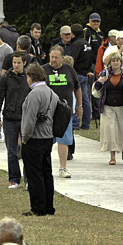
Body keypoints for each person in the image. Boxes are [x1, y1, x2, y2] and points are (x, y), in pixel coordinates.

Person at [21, 63, 57, 217]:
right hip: (48, 137)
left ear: (31, 77)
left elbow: (29, 120)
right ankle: (49, 206)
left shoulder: (34, 94)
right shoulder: (51, 93)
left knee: (34, 174)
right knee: (46, 172)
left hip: (34, 138)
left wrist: (25, 138)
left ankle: (37, 208)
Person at [94, 50, 123, 166]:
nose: (115, 63)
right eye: (113, 61)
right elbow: (96, 89)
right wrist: (100, 81)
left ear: (121, 62)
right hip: (108, 107)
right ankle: (112, 156)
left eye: (117, 61)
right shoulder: (105, 74)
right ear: (110, 63)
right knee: (110, 131)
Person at [0, 50, 30, 187]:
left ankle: (28, 180)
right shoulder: (5, 78)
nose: (16, 65)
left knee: (27, 151)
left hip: (26, 119)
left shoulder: (29, 78)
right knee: (12, 151)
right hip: (9, 118)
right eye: (14, 62)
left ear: (24, 63)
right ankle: (14, 179)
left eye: (19, 63)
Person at [45, 45, 82, 178]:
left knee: (64, 140)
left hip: (64, 112)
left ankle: (63, 168)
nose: (53, 60)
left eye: (56, 57)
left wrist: (80, 105)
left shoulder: (69, 70)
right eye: (51, 57)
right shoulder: (43, 70)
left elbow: (77, 88)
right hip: (47, 111)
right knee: (46, 140)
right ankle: (45, 167)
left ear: (62, 58)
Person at [69, 24, 96, 130]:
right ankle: (86, 123)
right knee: (85, 99)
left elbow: (73, 59)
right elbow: (90, 59)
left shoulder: (77, 44)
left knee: (76, 98)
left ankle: (75, 123)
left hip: (77, 74)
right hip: (85, 74)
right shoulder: (87, 44)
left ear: (73, 33)